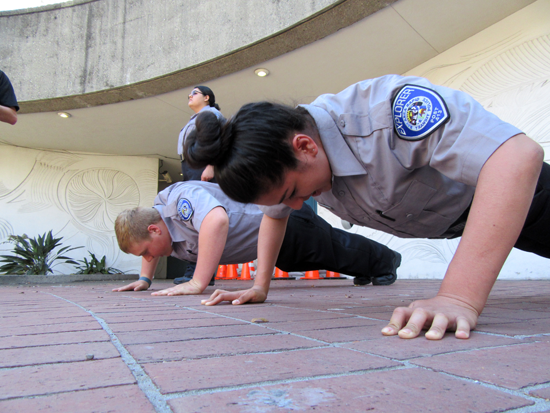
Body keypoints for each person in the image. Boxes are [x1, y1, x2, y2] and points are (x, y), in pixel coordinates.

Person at [184, 74, 549, 341]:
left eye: (293, 191)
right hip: (487, 225)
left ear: (305, 146)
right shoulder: (292, 167)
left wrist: (457, 297)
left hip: (529, 198)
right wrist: (260, 286)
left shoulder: (386, 113)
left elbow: (515, 158)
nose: (297, 206)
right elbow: (274, 216)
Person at [112, 181, 401, 295]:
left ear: (154, 229)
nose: (148, 258)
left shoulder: (178, 202)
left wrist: (198, 283)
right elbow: (148, 248)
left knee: (336, 249)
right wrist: (145, 280)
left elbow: (216, 220)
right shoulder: (158, 230)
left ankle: (387, 262)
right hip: (266, 243)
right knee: (331, 254)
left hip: (284, 221)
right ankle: (372, 267)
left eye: (146, 252)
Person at [175, 86, 226, 283]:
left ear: (207, 97)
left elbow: (218, 140)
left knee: (199, 218)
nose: (190, 95)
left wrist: (211, 165)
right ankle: (197, 271)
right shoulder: (196, 118)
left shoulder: (211, 115)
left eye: (195, 92)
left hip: (202, 166)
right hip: (191, 166)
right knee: (192, 218)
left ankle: (198, 273)